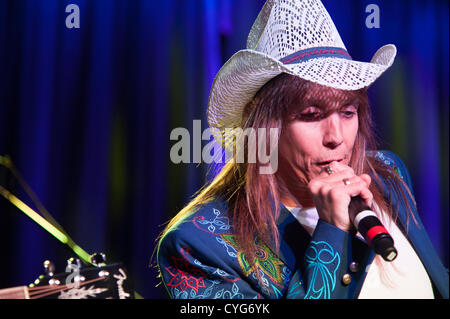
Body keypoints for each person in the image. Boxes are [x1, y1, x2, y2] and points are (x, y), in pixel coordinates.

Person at [155, 0, 449, 299]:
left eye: (348, 112)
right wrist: (332, 230)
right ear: (265, 127)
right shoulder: (198, 243)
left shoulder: (386, 172)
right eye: (311, 115)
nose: (337, 137)